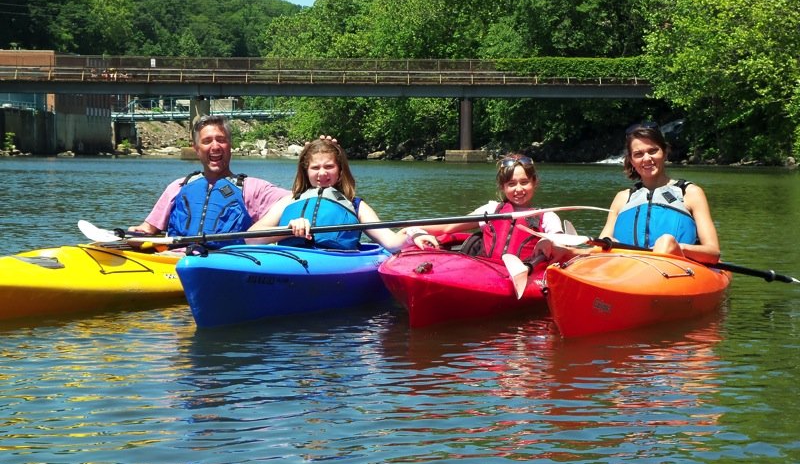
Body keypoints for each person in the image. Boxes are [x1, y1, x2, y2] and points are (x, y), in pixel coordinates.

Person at [536, 122, 721, 264]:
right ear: (631, 160)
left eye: (653, 151)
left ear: (665, 153)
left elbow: (713, 252)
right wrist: (568, 252)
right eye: (638, 154)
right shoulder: (623, 198)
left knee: (665, 241)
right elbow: (604, 248)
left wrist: (675, 248)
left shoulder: (689, 193)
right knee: (611, 240)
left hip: (677, 269)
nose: (647, 159)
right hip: (627, 270)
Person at [246, 137, 436, 252]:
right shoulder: (289, 201)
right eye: (315, 168)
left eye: (329, 166)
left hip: (335, 262)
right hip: (290, 261)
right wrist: (287, 228)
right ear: (306, 171)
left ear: (339, 171)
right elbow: (250, 238)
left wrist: (413, 235)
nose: (322, 173)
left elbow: (391, 241)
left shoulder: (356, 206)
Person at [129, 114, 290, 245]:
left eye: (221, 140)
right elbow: (147, 229)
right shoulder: (178, 187)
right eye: (207, 141)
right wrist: (131, 234)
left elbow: (298, 196)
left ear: (230, 145)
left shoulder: (253, 189)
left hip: (225, 263)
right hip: (175, 261)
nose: (215, 146)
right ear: (196, 149)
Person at [406, 153, 562, 261]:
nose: (518, 189)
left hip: (524, 273)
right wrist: (415, 230)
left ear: (534, 183)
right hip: (486, 272)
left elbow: (560, 240)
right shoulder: (491, 210)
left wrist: (549, 241)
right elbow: (448, 227)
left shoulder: (547, 216)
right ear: (502, 187)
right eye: (511, 184)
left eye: (524, 182)